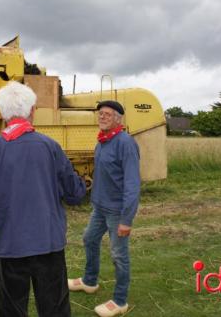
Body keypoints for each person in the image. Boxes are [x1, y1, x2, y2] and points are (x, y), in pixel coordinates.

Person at [0, 81, 86, 317]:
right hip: (48, 244)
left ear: (2, 113)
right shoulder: (51, 147)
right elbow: (75, 193)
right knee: (55, 310)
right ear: (32, 111)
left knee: (9, 310)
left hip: (9, 247)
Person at [68, 100, 141, 317]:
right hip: (100, 207)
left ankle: (120, 301)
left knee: (119, 255)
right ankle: (90, 281)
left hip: (117, 210)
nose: (102, 117)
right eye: (100, 113)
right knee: (89, 238)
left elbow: (132, 184)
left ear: (118, 119)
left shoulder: (125, 143)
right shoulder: (102, 141)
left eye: (107, 114)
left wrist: (126, 220)